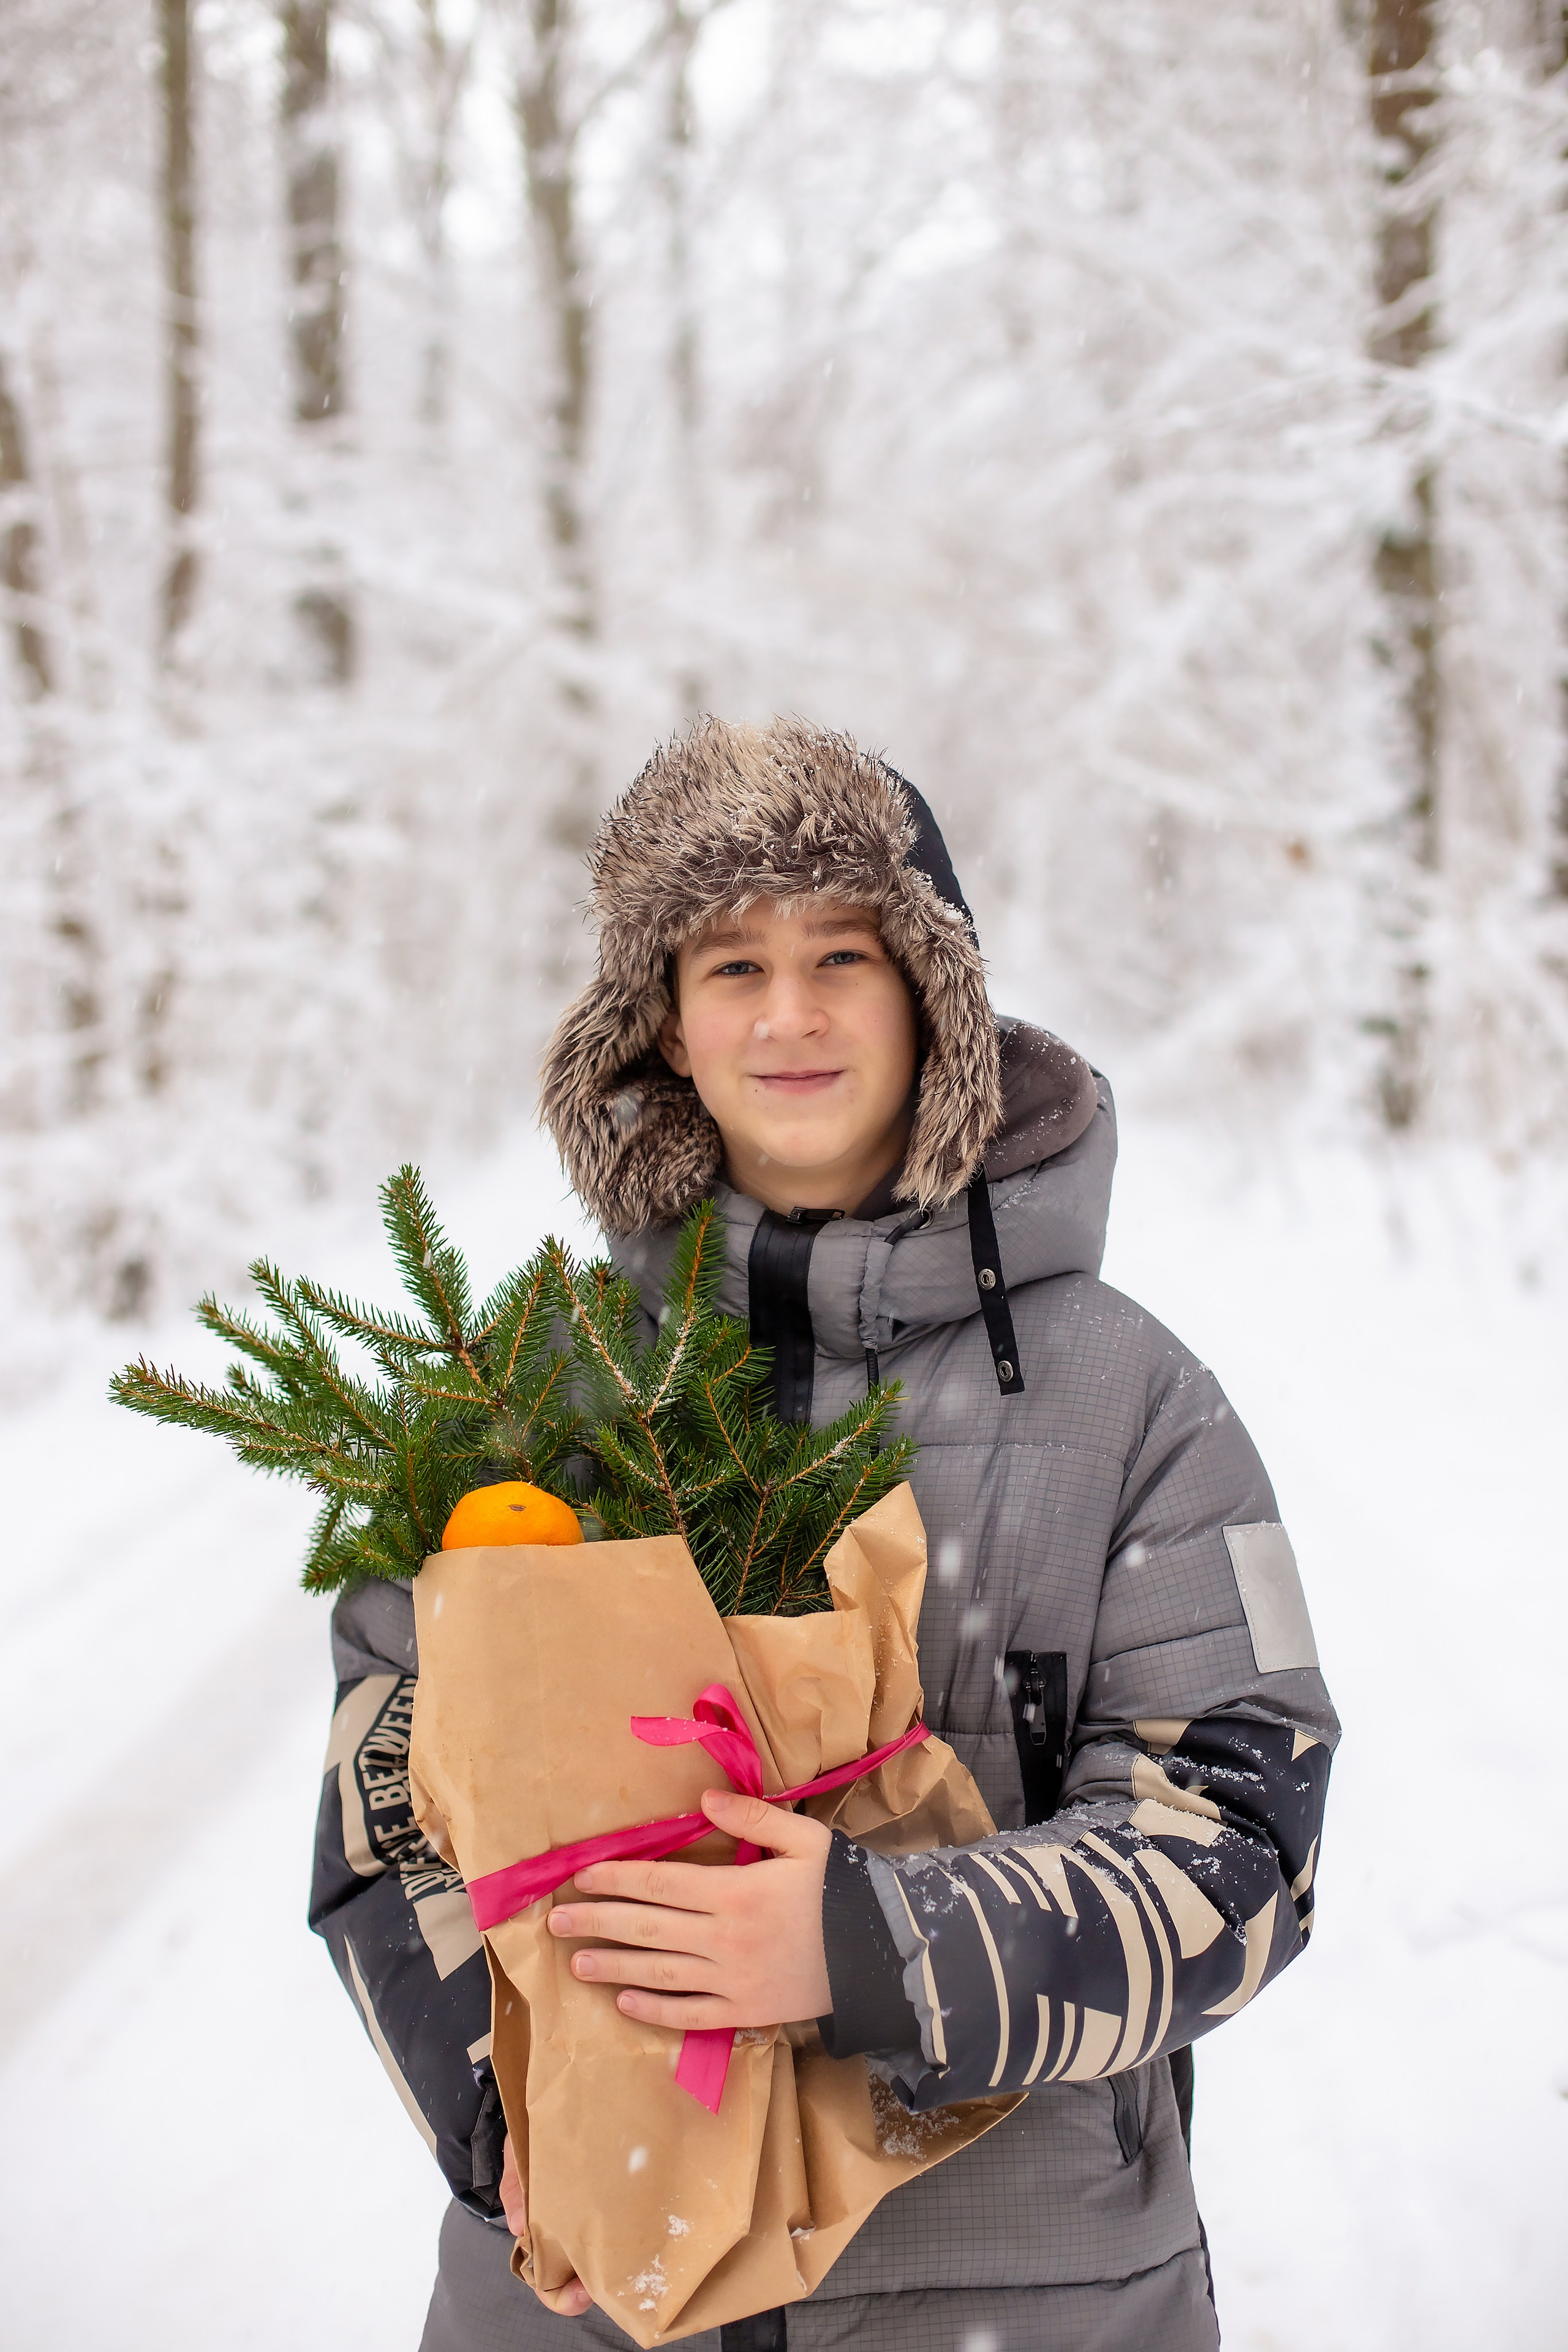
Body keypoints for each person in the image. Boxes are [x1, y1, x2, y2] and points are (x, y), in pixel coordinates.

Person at [311, 717, 1338, 2352]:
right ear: (659, 1021)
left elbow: (1242, 1847)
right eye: (730, 965)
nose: (788, 1016)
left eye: (842, 954)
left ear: (934, 996)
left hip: (1026, 2293)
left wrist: (874, 1941)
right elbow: (390, 1827)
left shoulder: (1137, 1406)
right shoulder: (529, 1401)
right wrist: (525, 2137)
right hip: (594, 2302)